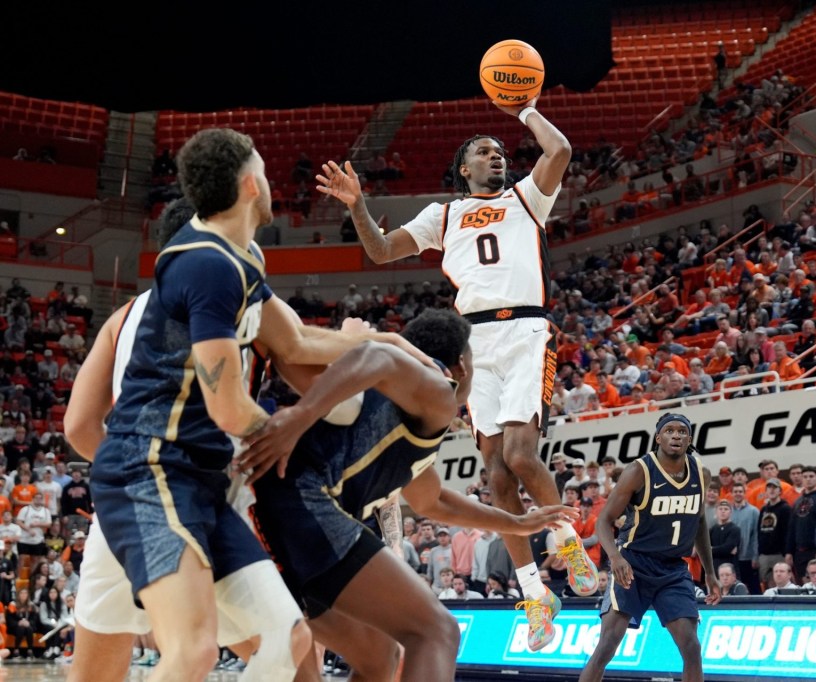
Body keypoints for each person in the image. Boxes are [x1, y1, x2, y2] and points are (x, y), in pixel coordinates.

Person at [316, 94, 597, 650]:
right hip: (474, 345)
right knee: (495, 472)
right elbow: (379, 251)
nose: (497, 159)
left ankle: (567, 543)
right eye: (484, 153)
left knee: (520, 456)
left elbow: (560, 148)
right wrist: (357, 205)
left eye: (500, 153)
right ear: (462, 168)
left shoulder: (526, 197)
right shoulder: (442, 215)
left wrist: (524, 111)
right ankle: (536, 595)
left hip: (525, 332)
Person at [81, 132, 319, 682]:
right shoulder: (219, 284)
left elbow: (77, 426)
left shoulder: (124, 317)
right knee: (206, 650)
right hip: (159, 481)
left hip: (161, 486)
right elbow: (292, 357)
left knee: (273, 641)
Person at [237, 309, 576, 681]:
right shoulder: (438, 389)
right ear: (462, 365)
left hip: (280, 514)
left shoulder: (404, 411)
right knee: (436, 631)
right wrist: (301, 415)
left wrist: (517, 522)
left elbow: (433, 500)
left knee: (380, 657)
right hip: (296, 503)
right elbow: (376, 355)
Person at [579, 414, 721, 682]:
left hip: (673, 569)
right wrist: (615, 557)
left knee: (692, 647)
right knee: (607, 645)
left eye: (682, 431)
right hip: (633, 564)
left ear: (689, 439)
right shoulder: (639, 471)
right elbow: (604, 521)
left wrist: (710, 573)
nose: (676, 435)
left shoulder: (701, 472)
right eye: (669, 430)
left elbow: (699, 521)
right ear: (658, 437)